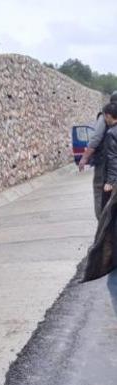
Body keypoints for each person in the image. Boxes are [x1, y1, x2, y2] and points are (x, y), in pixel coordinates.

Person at [82, 103, 117, 310]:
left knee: (107, 219)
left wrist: (110, 182)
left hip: (114, 181)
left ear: (107, 116)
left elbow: (113, 161)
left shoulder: (111, 133)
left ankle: (103, 257)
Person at [78, 91, 117, 217]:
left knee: (100, 191)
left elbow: (96, 138)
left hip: (104, 163)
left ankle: (102, 222)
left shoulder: (106, 116)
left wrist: (84, 158)